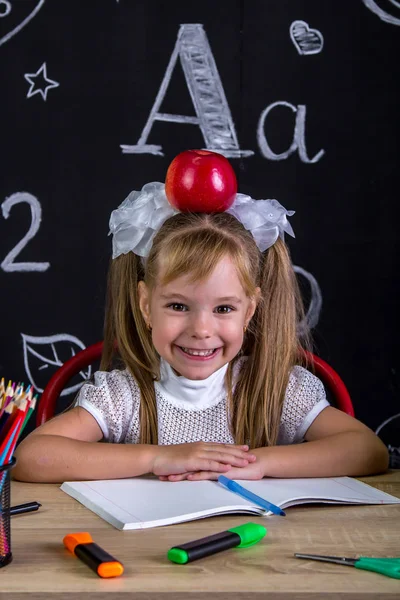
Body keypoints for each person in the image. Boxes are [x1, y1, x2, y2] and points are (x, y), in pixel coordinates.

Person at [14, 180, 388, 483]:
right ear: (146, 304)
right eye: (178, 306)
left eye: (223, 308)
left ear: (250, 309)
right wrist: (159, 457)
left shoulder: (277, 389)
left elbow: (367, 450)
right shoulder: (123, 396)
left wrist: (258, 463)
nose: (201, 330)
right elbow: (32, 457)